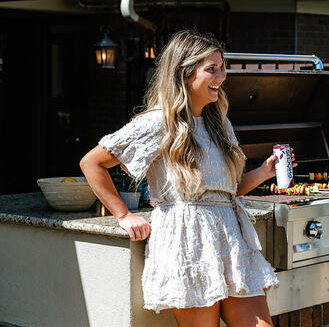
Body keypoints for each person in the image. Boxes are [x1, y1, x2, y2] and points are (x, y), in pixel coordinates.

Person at [80, 30, 284, 327]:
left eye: (222, 68)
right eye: (211, 69)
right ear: (185, 74)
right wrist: (123, 215)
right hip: (187, 241)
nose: (221, 76)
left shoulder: (219, 123)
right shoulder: (158, 122)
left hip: (230, 239)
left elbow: (226, 193)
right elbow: (92, 162)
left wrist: (265, 172)